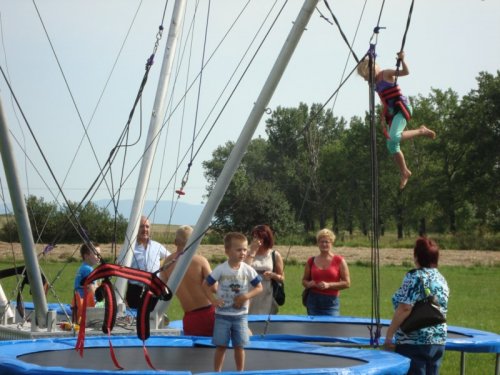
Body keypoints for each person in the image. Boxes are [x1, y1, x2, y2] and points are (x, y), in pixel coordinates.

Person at [357, 51, 436, 189]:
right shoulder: (374, 84)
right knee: (391, 145)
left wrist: (402, 59)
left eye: (365, 77)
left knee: (395, 136)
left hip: (402, 108)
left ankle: (421, 130)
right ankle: (405, 172)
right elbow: (384, 100)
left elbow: (406, 72)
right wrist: (384, 116)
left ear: (371, 70)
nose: (365, 80)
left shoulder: (386, 74)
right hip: (392, 113)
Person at [384, 237, 449, 375]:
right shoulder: (441, 278)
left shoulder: (414, 277)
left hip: (414, 341)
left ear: (416, 256)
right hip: (438, 340)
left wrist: (390, 334)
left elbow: (405, 308)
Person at [202, 232, 263, 372]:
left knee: (239, 346)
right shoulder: (221, 269)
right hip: (222, 316)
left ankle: (240, 371)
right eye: (239, 249)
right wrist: (213, 300)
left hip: (240, 316)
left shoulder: (248, 270)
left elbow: (259, 287)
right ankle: (216, 372)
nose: (243, 253)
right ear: (227, 251)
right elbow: (205, 285)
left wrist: (246, 297)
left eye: (245, 249)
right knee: (221, 346)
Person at [159, 225, 215, 336]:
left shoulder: (166, 264)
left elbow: (161, 290)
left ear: (175, 242)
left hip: (189, 318)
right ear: (195, 241)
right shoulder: (200, 261)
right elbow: (214, 288)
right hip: (209, 314)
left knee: (192, 353)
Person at [302, 228, 350, 316]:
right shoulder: (311, 261)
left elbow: (347, 283)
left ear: (332, 243)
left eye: (327, 242)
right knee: (313, 328)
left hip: (331, 302)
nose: (324, 244)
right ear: (317, 243)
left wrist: (329, 285)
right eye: (321, 241)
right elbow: (304, 280)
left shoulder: (339, 260)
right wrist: (309, 284)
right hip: (313, 300)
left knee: (331, 328)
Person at [126, 215, 170, 309]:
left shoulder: (157, 246)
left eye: (147, 226)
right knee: (134, 320)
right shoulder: (129, 248)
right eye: (141, 226)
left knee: (153, 319)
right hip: (135, 291)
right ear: (136, 228)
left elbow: (171, 259)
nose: (145, 229)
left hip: (154, 291)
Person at [245, 224, 284, 314]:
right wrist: (253, 251)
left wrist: (273, 275)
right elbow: (244, 270)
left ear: (266, 239)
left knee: (265, 320)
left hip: (267, 292)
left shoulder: (275, 254)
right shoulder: (247, 253)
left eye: (259, 237)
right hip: (250, 291)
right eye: (254, 237)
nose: (257, 240)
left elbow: (282, 277)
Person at [73, 243, 101, 323]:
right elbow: (92, 291)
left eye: (99, 254)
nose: (99, 256)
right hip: (87, 305)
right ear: (86, 256)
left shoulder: (82, 268)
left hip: (78, 303)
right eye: (96, 254)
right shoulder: (88, 270)